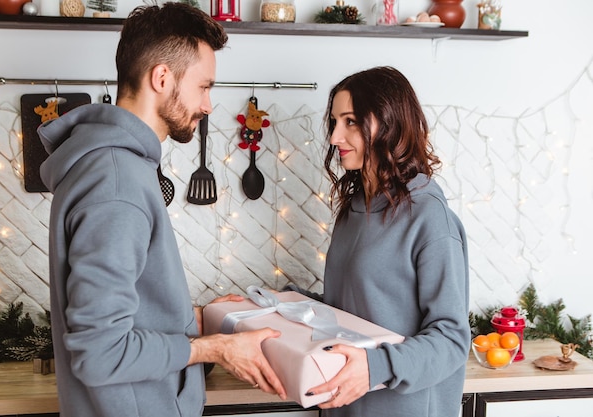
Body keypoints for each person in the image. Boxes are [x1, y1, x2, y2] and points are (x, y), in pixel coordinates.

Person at [38, 3, 285, 417]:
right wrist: (216, 348)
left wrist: (193, 318)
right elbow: (100, 353)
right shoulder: (116, 182)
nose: (208, 105)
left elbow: (125, 309)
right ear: (162, 77)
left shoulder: (112, 166)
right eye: (204, 86)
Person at [288, 66, 470, 416]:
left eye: (351, 121)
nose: (334, 137)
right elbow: (352, 308)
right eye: (334, 123)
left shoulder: (429, 217)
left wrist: (375, 367)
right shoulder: (356, 208)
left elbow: (451, 339)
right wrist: (275, 303)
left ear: (389, 123)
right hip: (344, 403)